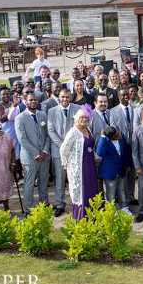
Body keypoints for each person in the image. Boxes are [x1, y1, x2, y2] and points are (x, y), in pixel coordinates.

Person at [15, 92, 51, 212]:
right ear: (25, 101)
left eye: (35, 100)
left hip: (44, 155)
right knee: (29, 183)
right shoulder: (20, 118)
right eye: (30, 100)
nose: (33, 102)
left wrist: (45, 150)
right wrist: (36, 153)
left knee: (44, 180)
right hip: (30, 157)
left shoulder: (43, 115)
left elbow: (47, 134)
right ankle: (28, 208)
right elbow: (22, 139)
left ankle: (44, 204)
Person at [60, 109, 99, 219]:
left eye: (86, 117)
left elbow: (90, 146)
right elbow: (63, 150)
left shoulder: (88, 129)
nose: (84, 119)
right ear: (76, 118)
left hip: (90, 165)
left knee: (91, 190)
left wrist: (95, 156)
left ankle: (92, 216)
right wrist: (67, 166)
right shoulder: (73, 132)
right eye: (81, 117)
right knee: (81, 192)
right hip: (78, 168)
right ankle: (81, 217)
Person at [47, 88, 77, 217]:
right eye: (62, 97)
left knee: (74, 178)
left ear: (70, 97)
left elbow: (82, 127)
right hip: (58, 150)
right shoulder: (52, 111)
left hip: (74, 150)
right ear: (59, 97)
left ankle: (76, 203)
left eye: (67, 97)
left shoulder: (77, 108)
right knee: (59, 178)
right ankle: (60, 204)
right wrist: (63, 146)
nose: (65, 99)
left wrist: (71, 146)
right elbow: (51, 131)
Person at [109, 88, 136, 205]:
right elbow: (113, 128)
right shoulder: (113, 111)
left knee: (133, 173)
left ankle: (131, 195)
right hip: (122, 146)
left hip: (134, 146)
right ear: (119, 97)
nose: (125, 96)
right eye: (123, 94)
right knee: (124, 173)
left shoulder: (135, 109)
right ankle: (123, 198)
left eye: (127, 94)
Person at [96, 125, 129, 211]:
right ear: (111, 135)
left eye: (118, 132)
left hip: (121, 171)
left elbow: (125, 153)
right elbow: (99, 153)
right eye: (116, 133)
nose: (118, 134)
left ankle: (124, 208)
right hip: (110, 173)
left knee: (122, 191)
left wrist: (127, 166)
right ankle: (111, 211)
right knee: (110, 193)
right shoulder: (105, 142)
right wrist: (103, 137)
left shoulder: (121, 140)